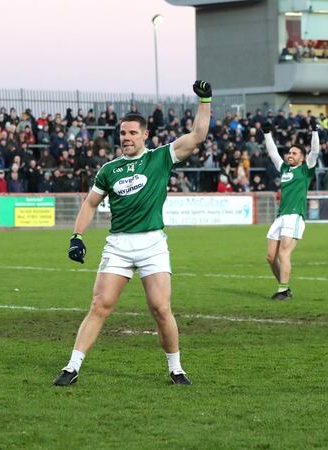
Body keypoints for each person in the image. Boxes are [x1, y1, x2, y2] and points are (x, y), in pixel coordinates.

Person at [53, 80, 213, 387]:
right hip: (118, 245)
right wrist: (77, 236)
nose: (126, 138)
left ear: (144, 135)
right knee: (100, 305)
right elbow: (90, 204)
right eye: (123, 133)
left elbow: (198, 135)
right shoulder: (109, 169)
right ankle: (72, 366)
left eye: (132, 133)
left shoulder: (161, 157)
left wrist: (204, 100)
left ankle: (176, 368)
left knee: (161, 308)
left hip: (152, 243)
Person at [262, 119, 320, 300]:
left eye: (294, 153)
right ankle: (285, 288)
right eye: (289, 152)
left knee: (283, 253)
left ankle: (283, 290)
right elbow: (272, 153)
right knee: (271, 257)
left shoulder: (306, 169)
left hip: (295, 216)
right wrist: (266, 134)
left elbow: (315, 151)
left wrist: (314, 131)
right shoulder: (285, 168)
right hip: (281, 217)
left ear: (302, 157)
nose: (290, 155)